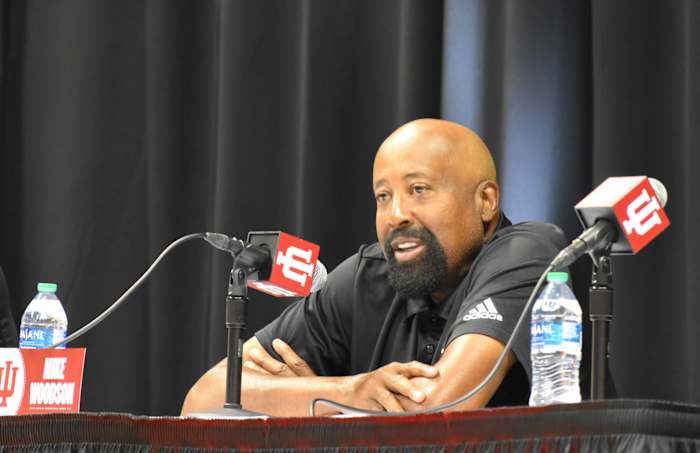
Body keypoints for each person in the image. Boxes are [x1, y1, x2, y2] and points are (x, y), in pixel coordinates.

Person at [181, 119, 566, 416]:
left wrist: (302, 406)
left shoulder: (527, 254)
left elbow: (437, 409)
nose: (395, 215)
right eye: (383, 196)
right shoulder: (367, 276)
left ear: (486, 201)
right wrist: (344, 392)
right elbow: (205, 399)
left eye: (419, 189)